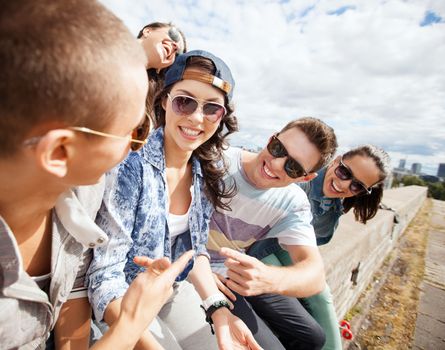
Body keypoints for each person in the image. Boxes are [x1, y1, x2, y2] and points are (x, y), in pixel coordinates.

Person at [0, 0, 194, 349]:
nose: (139, 147)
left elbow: (72, 291)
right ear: (60, 152)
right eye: (135, 132)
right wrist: (130, 324)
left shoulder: (86, 190)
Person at [87, 50, 261, 350]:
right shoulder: (131, 165)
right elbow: (105, 277)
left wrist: (217, 308)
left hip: (174, 290)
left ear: (221, 118)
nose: (196, 117)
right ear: (165, 100)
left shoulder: (204, 173)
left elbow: (193, 252)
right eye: (185, 101)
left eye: (212, 109)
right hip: (124, 300)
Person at [207, 118, 338, 349]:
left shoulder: (292, 202)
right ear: (271, 139)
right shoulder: (216, 161)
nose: (276, 164)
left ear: (305, 178)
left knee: (313, 337)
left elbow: (315, 275)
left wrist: (268, 279)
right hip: (201, 272)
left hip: (234, 274)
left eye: (293, 167)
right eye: (278, 149)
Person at [247, 144, 391, 350]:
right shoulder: (301, 177)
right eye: (344, 172)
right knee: (310, 329)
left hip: (283, 246)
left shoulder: (333, 207)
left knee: (321, 297)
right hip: (258, 247)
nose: (343, 185)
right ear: (335, 160)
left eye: (356, 186)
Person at [137, 22, 187, 114]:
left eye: (177, 55)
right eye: (173, 35)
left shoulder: (142, 108)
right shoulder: (104, 37)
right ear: (148, 31)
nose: (176, 46)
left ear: (160, 68)